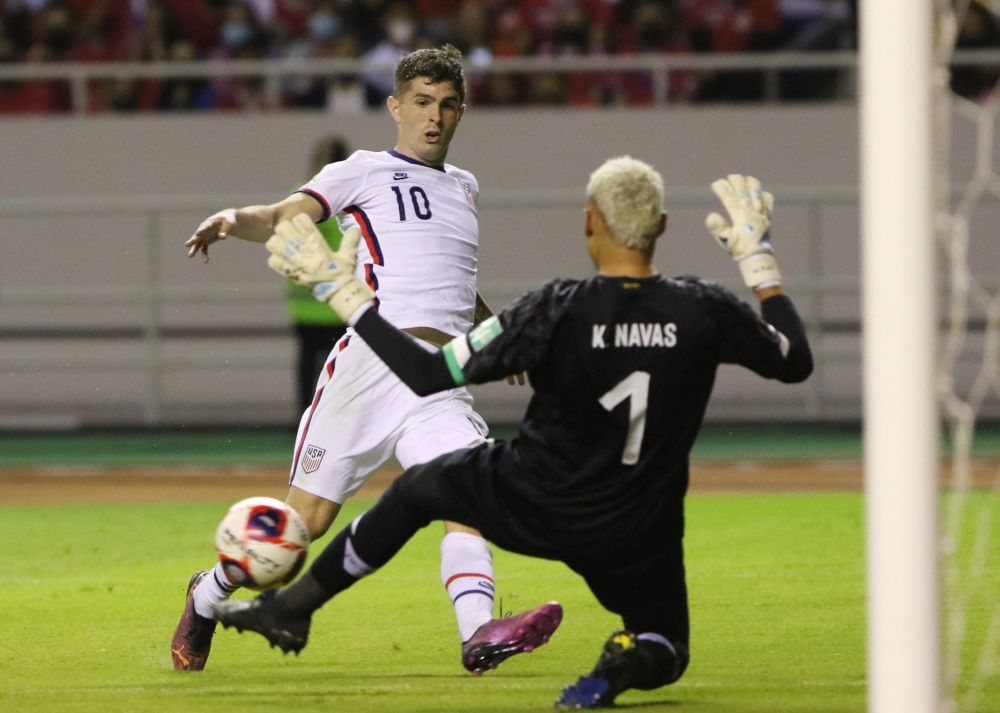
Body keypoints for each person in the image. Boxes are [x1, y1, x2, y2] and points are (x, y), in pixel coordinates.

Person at [212, 160, 814, 708]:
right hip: (639, 523)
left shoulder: (554, 308)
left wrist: (347, 298)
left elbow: (425, 373)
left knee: (423, 489)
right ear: (659, 226)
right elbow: (794, 361)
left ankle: (294, 607)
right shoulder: (702, 307)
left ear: (589, 224)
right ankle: (630, 656)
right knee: (667, 642)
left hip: (537, 495)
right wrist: (758, 260)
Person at [171, 44, 555, 676]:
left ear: (463, 112)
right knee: (304, 525)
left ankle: (479, 632)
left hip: (442, 375)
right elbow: (282, 217)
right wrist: (233, 218)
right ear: (395, 106)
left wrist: (489, 327)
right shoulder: (364, 170)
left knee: (467, 497)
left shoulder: (464, 187)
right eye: (423, 103)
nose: (435, 117)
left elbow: (450, 275)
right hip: (369, 367)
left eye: (448, 105)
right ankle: (207, 597)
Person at [288, 135, 350, 414]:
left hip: (318, 297)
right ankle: (321, 417)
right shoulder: (348, 201)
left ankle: (310, 417)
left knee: (314, 363)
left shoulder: (300, 198)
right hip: (329, 298)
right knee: (328, 364)